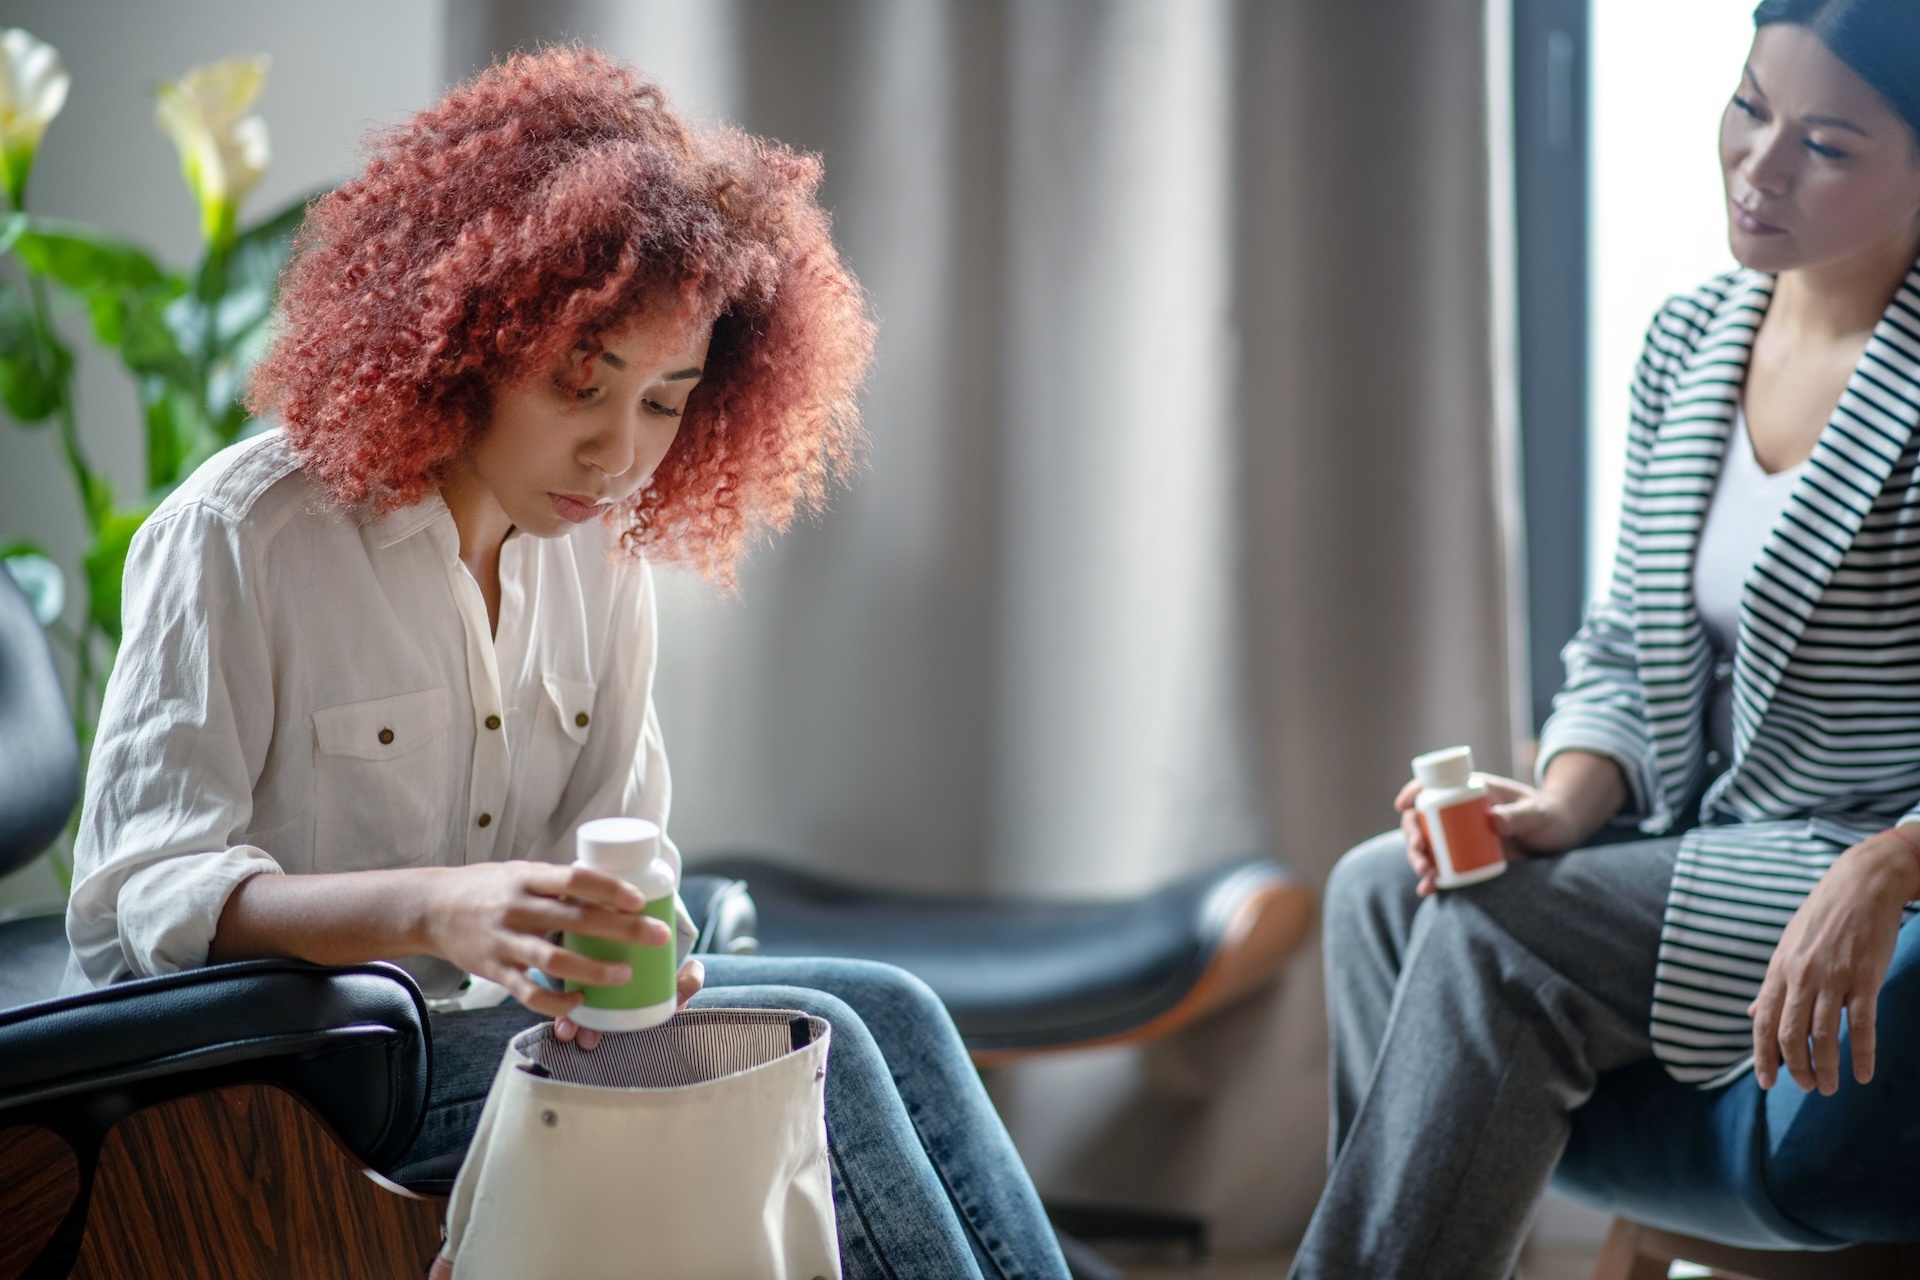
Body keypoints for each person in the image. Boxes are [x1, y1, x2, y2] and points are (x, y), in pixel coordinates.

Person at [62, 47, 1069, 1280]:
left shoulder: (595, 552)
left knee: (893, 1009)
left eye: (665, 401)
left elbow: (621, 836)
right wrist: (434, 906)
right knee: (826, 1052)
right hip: (310, 1073)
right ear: (469, 336)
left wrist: (632, 943)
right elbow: (136, 900)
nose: (618, 455)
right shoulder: (243, 535)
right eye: (579, 385)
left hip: (528, 1042)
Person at [1296, 2, 1920, 1275]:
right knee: (1376, 891)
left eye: (1827, 146)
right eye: (1749, 107)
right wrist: (1563, 806)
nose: (1760, 165)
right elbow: (1629, 646)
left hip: (1850, 851)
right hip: (1698, 837)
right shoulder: (1689, 338)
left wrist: (1894, 861)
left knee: (1497, 931)